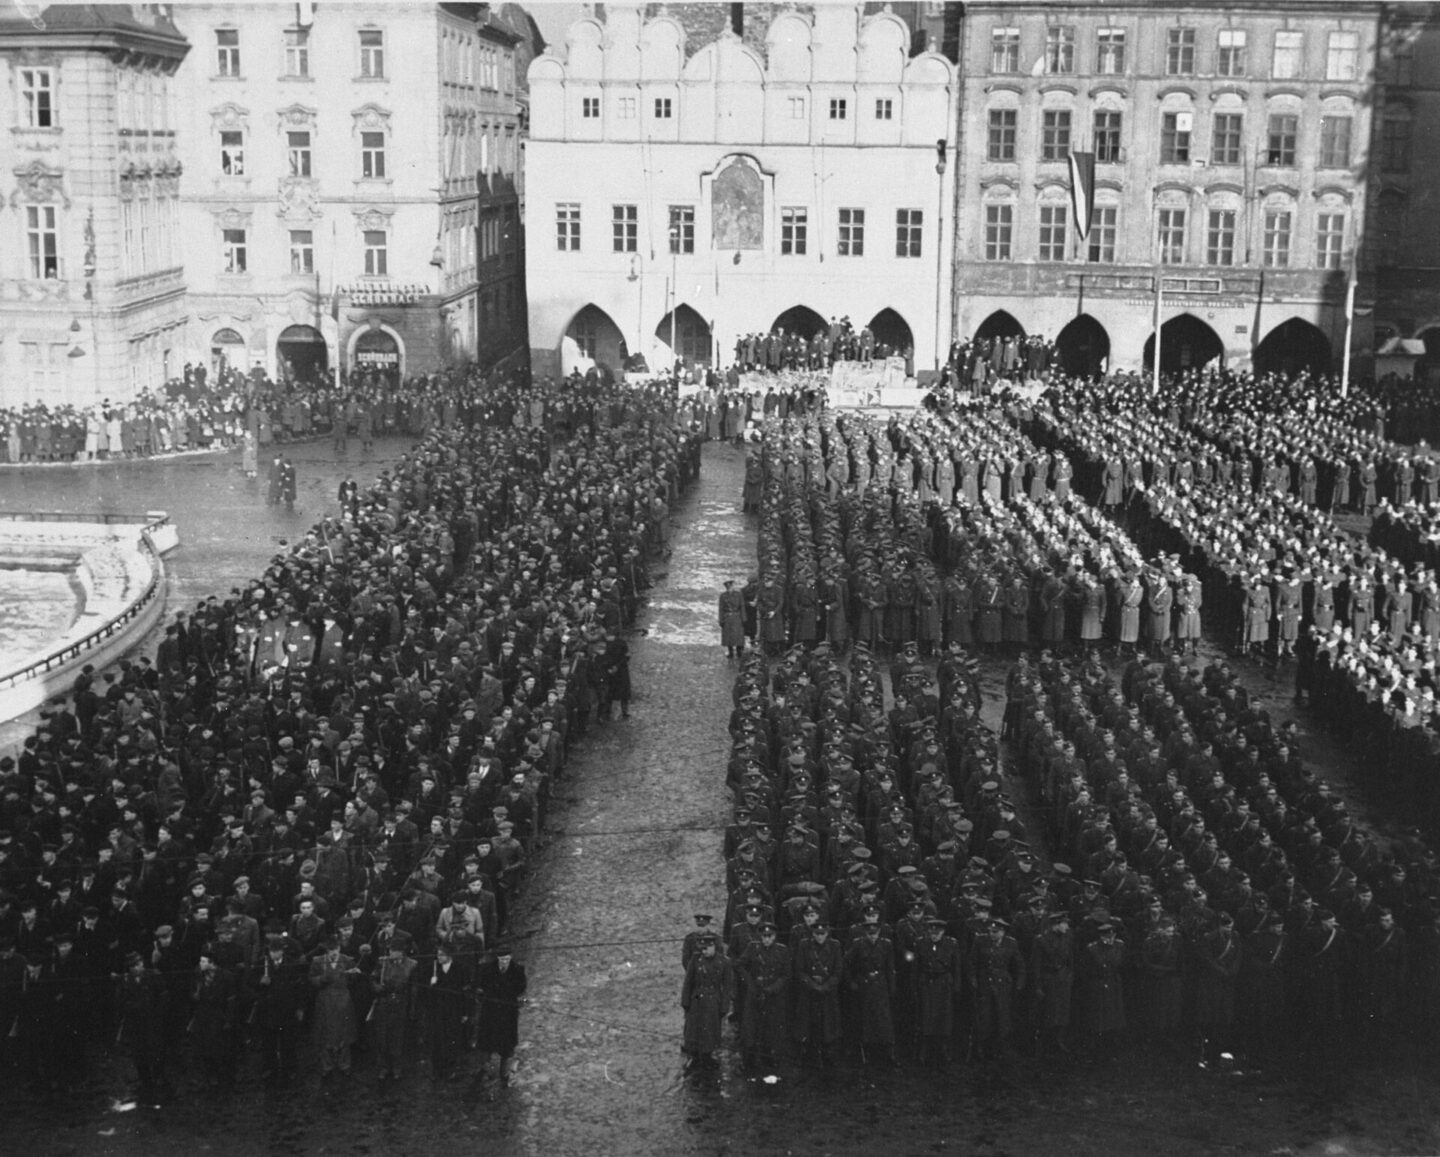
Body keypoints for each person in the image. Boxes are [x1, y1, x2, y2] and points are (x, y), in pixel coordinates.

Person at [115, 950, 169, 1102]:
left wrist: (158, 1015)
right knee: (139, 1053)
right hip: (135, 1024)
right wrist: (132, 1008)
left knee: (156, 1049)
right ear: (130, 968)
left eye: (140, 964)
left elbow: (164, 998)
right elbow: (120, 1002)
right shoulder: (125, 981)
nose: (139, 967)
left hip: (152, 1021)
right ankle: (145, 1081)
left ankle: (158, 1077)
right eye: (135, 966)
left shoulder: (154, 976)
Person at [254, 934, 306, 1081]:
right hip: (268, 1010)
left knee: (288, 1042)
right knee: (268, 1042)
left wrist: (300, 1008)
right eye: (271, 951)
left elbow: (300, 988)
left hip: (287, 1010)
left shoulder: (292, 964)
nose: (274, 954)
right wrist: (260, 982)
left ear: (282, 951)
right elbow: (248, 984)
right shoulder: (260, 964)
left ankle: (290, 1069)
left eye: (277, 951)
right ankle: (269, 1068)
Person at [476, 943, 527, 1084]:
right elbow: (481, 987)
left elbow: (521, 988)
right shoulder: (487, 970)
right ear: (497, 959)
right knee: (486, 1044)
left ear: (510, 958)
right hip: (490, 1012)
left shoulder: (517, 970)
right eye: (501, 959)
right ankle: (486, 1070)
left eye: (506, 959)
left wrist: (518, 998)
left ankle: (504, 1073)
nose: (504, 962)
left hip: (507, 1013)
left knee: (507, 1046)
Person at [680, 930, 732, 1070]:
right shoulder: (696, 960)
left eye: (707, 948)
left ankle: (707, 1056)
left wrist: (724, 1007)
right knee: (694, 1029)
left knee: (710, 1030)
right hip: (697, 1000)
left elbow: (727, 987)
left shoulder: (724, 962)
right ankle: (694, 1056)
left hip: (713, 1001)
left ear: (714, 946)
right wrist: (685, 1002)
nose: (705, 951)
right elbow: (688, 982)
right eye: (702, 948)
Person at [369, 931, 417, 1082]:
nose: (390, 953)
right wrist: (377, 988)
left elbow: (414, 989)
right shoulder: (382, 962)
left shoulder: (412, 965)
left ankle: (397, 1067)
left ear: (401, 952)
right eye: (389, 950)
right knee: (382, 1037)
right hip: (383, 1003)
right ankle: (383, 1067)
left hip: (401, 1005)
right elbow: (373, 979)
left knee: (397, 1038)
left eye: (393, 951)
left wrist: (412, 1009)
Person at [309, 936, 359, 1078]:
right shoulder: (317, 961)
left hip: (343, 1000)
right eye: (330, 950)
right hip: (325, 1001)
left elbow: (353, 981)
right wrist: (322, 979)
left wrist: (354, 975)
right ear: (327, 950)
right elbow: (311, 979)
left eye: (335, 949)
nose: (333, 952)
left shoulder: (348, 960)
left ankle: (345, 1065)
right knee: (325, 1035)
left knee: (344, 1034)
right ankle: (327, 1066)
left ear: (339, 948)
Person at [426, 942, 472, 1081]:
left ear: (450, 956)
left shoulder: (460, 969)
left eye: (441, 955)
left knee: (452, 1040)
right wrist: (431, 984)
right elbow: (428, 995)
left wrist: (465, 1013)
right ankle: (437, 1070)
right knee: (437, 1041)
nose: (438, 957)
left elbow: (465, 993)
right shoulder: (433, 969)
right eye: (437, 954)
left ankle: (450, 1069)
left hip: (454, 1011)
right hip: (438, 1012)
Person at [719, 580, 746, 659]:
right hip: (728, 617)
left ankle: (739, 651)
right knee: (728, 637)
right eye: (730, 587)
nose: (731, 588)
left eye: (731, 586)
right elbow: (721, 609)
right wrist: (721, 620)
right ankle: (730, 652)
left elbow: (742, 607)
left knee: (738, 636)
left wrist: (744, 618)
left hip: (737, 617)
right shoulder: (723, 596)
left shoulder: (738, 595)